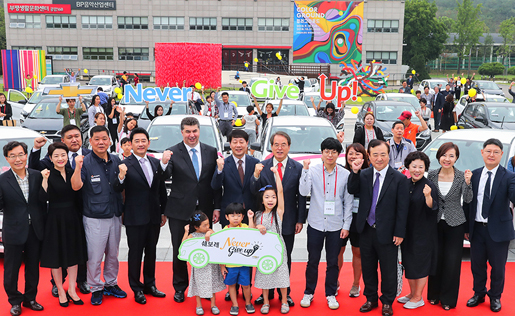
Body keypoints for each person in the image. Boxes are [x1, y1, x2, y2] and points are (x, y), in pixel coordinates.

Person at [162, 117, 222, 303]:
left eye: (194, 131)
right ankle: (180, 288)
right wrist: (163, 163)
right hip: (180, 210)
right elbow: (165, 175)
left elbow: (215, 184)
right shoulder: (172, 152)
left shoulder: (211, 152)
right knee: (181, 250)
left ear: (199, 131)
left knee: (205, 248)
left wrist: (217, 207)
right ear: (182, 132)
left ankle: (205, 288)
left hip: (205, 208)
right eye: (187, 131)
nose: (191, 135)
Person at [347, 139, 409, 316]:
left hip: (389, 233)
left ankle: (387, 301)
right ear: (369, 156)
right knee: (368, 267)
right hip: (366, 229)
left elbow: (402, 209)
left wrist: (399, 232)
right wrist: (355, 171)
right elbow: (352, 189)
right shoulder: (364, 174)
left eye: (383, 154)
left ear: (388, 155)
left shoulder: (399, 179)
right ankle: (371, 298)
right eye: (375, 155)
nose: (379, 158)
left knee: (389, 269)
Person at [29, 125, 91, 296]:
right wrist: (35, 149)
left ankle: (81, 281)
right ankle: (57, 284)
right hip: (56, 215)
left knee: (77, 250)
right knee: (57, 251)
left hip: (79, 211)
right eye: (70, 136)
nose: (74, 139)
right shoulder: (50, 161)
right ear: (63, 139)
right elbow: (34, 168)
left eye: (77, 136)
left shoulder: (87, 156)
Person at [70, 126, 127, 305]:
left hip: (115, 215)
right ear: (91, 141)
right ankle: (96, 287)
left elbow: (121, 189)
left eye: (104, 138)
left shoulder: (117, 160)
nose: (101, 142)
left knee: (113, 254)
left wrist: (123, 211)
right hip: (94, 217)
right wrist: (77, 168)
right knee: (94, 256)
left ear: (110, 140)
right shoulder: (85, 162)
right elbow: (76, 186)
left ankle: (111, 283)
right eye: (97, 139)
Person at [250, 131, 306, 306]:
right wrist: (256, 175)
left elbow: (301, 196)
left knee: (284, 257)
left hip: (287, 220)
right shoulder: (262, 165)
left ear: (289, 147)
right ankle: (266, 292)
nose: (279, 148)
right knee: (264, 256)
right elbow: (253, 191)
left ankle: (285, 293)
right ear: (271, 146)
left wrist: (300, 220)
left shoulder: (297, 168)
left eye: (283, 144)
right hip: (265, 223)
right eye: (276, 144)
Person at [113, 128, 168, 304]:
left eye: (143, 140)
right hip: (135, 217)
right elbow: (116, 187)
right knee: (135, 254)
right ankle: (136, 288)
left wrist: (163, 212)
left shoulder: (154, 163)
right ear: (131, 144)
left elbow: (160, 190)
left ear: (148, 143)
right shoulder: (125, 164)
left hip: (153, 216)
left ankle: (150, 285)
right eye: (137, 141)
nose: (141, 144)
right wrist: (121, 176)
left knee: (151, 252)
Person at [298, 138, 354, 310]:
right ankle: (309, 292)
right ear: (321, 153)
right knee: (312, 260)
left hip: (336, 226)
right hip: (315, 224)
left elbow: (348, 202)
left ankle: (330, 294)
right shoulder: (312, 171)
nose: (330, 155)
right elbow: (303, 191)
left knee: (332, 262)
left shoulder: (345, 174)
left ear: (338, 154)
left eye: (333, 152)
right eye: (326, 151)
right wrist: (305, 170)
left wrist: (346, 226)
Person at [464, 138, 515, 313]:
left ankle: (495, 297)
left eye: (495, 152)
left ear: (501, 154)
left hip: (499, 231)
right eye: (488, 151)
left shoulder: (510, 177)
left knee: (498, 268)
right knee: (477, 266)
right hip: (477, 229)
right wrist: (466, 229)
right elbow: (468, 203)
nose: (491, 155)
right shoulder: (474, 175)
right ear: (482, 152)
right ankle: (478, 293)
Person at [39, 142, 88, 307]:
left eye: (63, 155)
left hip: (72, 218)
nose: (60, 158)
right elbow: (42, 198)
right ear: (50, 158)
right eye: (56, 156)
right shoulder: (46, 174)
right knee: (57, 258)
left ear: (68, 156)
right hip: (54, 219)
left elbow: (77, 188)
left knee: (74, 256)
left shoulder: (71, 171)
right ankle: (60, 289)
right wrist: (44, 180)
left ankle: (72, 290)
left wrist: (78, 168)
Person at [0, 141, 46, 316]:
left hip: (35, 229)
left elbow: (42, 201)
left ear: (26, 155)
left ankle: (30, 298)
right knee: (11, 269)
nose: (17, 159)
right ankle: (15, 301)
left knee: (33, 267)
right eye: (13, 156)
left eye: (20, 154)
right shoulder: (2, 180)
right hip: (13, 230)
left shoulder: (37, 175)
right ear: (7, 159)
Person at [427, 142, 472, 310]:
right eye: (444, 155)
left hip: (455, 223)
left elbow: (467, 199)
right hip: (435, 222)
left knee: (452, 262)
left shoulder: (462, 176)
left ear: (456, 158)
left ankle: (448, 299)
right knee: (436, 259)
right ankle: (433, 295)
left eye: (451, 156)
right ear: (439, 156)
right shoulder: (431, 175)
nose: (447, 159)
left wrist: (468, 184)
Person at [397, 151, 438, 309]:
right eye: (414, 166)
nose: (417, 170)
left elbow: (432, 209)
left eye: (421, 167)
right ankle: (412, 293)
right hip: (407, 232)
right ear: (408, 166)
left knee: (420, 264)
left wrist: (428, 197)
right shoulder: (405, 183)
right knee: (409, 263)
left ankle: (418, 296)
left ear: (425, 168)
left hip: (423, 233)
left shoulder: (429, 186)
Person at [248, 166, 291, 314]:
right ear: (262, 199)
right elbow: (251, 231)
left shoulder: (279, 212)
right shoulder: (258, 214)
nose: (271, 200)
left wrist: (277, 175)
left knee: (282, 273)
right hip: (263, 250)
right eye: (267, 197)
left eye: (273, 197)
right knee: (264, 274)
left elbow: (280, 191)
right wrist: (255, 223)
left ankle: (284, 300)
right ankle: (266, 302)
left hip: (278, 248)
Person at [211, 130, 259, 227]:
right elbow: (215, 186)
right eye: (235, 142)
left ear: (247, 143)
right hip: (230, 214)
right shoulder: (224, 163)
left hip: (250, 213)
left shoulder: (255, 163)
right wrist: (219, 170)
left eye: (241, 142)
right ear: (230, 144)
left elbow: (258, 188)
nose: (238, 145)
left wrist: (256, 176)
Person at [339, 143, 369, 298]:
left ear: (364, 156)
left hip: (358, 219)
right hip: (340, 217)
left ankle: (356, 284)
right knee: (338, 250)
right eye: (351, 153)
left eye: (358, 154)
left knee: (357, 252)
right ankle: (334, 281)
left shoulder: (368, 173)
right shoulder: (341, 171)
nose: (354, 157)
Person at [183, 211, 225, 315]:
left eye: (208, 224)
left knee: (212, 284)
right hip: (199, 266)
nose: (207, 226)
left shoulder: (210, 232)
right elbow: (183, 245)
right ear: (196, 227)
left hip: (211, 265)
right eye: (204, 225)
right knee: (198, 285)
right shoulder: (192, 236)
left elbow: (218, 242)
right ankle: (199, 305)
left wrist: (210, 232)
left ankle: (213, 305)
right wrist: (185, 232)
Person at [220, 203, 255, 315]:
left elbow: (252, 231)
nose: (236, 218)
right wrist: (222, 265)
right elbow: (221, 250)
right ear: (226, 217)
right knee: (231, 285)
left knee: (246, 285)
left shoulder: (244, 226)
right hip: (230, 265)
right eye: (232, 215)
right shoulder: (224, 231)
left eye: (239, 215)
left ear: (242, 217)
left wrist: (250, 218)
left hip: (244, 264)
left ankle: (248, 303)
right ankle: (234, 305)